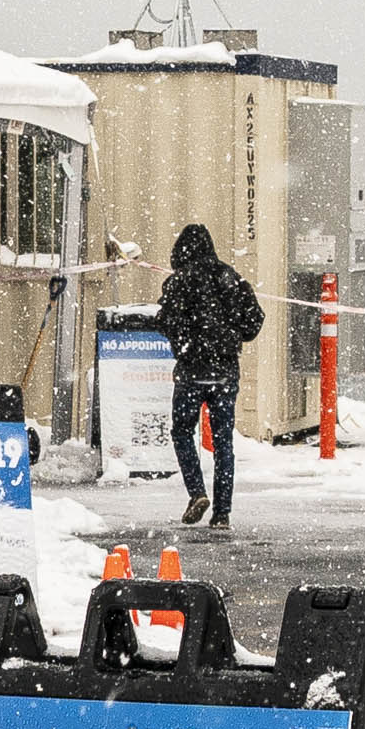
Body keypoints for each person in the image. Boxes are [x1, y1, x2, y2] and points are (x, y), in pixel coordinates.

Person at [155, 223, 264, 528]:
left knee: (181, 432)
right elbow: (255, 320)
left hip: (191, 372)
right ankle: (223, 512)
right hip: (225, 372)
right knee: (223, 442)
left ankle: (196, 493)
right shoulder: (230, 277)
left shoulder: (179, 281)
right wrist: (231, 337)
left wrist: (185, 341)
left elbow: (164, 321)